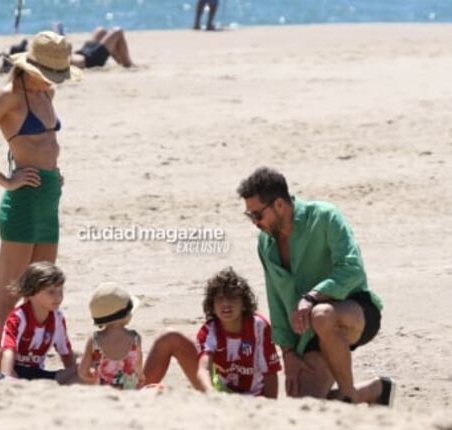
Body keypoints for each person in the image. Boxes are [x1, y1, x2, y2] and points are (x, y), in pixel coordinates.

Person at [237, 167, 395, 406]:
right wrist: (288, 354)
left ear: (279, 205)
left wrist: (312, 297)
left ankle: (347, 391)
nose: (255, 223)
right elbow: (276, 299)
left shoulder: (325, 217)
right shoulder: (265, 244)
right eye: (250, 217)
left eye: (258, 215)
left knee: (322, 314)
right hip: (308, 332)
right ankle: (375, 391)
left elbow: (353, 269)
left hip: (353, 313)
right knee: (303, 406)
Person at [0, 31, 79, 340]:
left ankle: (25, 355)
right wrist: (6, 181)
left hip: (49, 196)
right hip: (23, 201)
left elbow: (46, 142)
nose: (53, 81)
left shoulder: (47, 93)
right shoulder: (8, 96)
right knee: (10, 291)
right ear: (31, 69)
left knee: (41, 289)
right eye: (48, 74)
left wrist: (54, 171)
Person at [77, 282, 203, 390]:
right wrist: (140, 379)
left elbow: (83, 372)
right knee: (159, 388)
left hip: (105, 393)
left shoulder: (94, 340)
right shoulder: (134, 338)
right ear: (126, 316)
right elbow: (139, 371)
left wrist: (93, 377)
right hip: (132, 393)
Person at [0, 261, 78, 383]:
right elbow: (8, 350)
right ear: (32, 292)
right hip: (6, 367)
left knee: (87, 369)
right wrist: (7, 376)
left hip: (35, 374)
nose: (58, 297)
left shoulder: (57, 318)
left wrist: (76, 374)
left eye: (60, 291)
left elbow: (66, 353)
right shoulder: (19, 317)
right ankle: (9, 380)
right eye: (51, 292)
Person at [195, 267, 281, 398]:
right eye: (219, 299)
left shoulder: (259, 326)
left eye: (232, 298)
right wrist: (211, 395)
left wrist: (270, 408)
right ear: (212, 305)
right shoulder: (209, 331)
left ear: (244, 303)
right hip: (222, 393)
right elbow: (204, 369)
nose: (226, 305)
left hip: (255, 396)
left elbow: (270, 372)